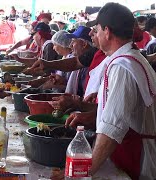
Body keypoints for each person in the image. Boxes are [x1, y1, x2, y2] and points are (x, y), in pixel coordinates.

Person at [63, 3, 156, 179]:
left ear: (107, 31)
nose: (94, 35)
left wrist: (84, 174)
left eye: (97, 30)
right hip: (132, 152)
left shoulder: (122, 66)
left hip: (136, 160)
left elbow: (111, 130)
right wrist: (93, 116)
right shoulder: (132, 58)